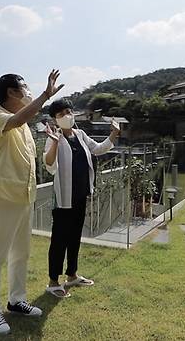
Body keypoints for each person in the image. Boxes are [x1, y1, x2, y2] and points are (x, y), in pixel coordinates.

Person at [0, 70, 64, 334]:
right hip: (3, 196)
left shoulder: (25, 126)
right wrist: (45, 95)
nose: (28, 91)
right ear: (11, 93)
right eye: (24, 88)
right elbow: (17, 119)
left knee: (21, 253)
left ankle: (16, 300)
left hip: (23, 197)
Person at [42, 98, 120, 298]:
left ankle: (72, 275)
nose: (67, 116)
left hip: (80, 195)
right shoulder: (54, 137)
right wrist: (55, 143)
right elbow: (49, 165)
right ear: (55, 119)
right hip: (63, 199)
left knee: (75, 237)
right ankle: (53, 281)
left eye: (68, 111)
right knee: (59, 239)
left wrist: (114, 133)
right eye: (61, 114)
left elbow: (98, 149)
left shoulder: (80, 134)